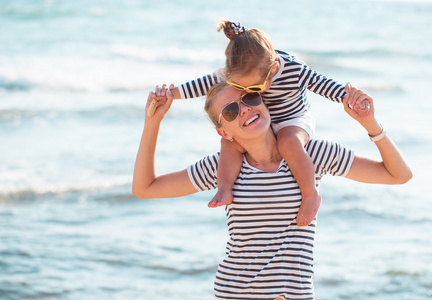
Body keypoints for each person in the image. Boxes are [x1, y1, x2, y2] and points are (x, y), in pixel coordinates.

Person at [133, 82, 411, 300]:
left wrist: (370, 124)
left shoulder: (311, 153)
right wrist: (153, 122)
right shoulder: (222, 169)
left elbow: (399, 175)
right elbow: (145, 188)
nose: (244, 109)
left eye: (249, 99)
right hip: (234, 292)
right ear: (224, 133)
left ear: (262, 100)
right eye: (230, 112)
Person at [161, 19, 369, 227]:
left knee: (288, 143)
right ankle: (224, 188)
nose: (255, 92)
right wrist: (172, 94)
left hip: (293, 119)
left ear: (274, 66)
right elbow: (205, 84)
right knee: (229, 144)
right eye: (246, 88)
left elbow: (322, 84)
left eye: (257, 86)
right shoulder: (238, 71)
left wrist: (348, 97)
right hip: (263, 120)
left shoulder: (294, 69)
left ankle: (310, 194)